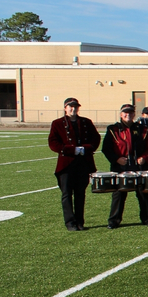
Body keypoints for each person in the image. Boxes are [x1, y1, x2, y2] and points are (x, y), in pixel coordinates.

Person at [48, 98, 100, 231]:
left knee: (80, 193)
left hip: (83, 163)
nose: (73, 109)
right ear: (65, 108)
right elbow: (53, 143)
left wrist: (87, 148)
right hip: (66, 163)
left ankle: (79, 221)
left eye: (75, 107)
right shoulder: (57, 123)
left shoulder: (86, 122)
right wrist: (70, 150)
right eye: (70, 107)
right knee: (66, 193)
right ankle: (70, 222)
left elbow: (96, 138)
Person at [101, 104, 148, 228]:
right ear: (121, 114)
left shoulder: (142, 129)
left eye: (130, 113)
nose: (128, 115)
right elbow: (106, 149)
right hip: (121, 168)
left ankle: (147, 218)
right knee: (119, 194)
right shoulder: (113, 129)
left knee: (143, 193)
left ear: (134, 114)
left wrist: (144, 158)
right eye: (125, 113)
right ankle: (114, 220)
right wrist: (116, 159)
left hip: (138, 167)